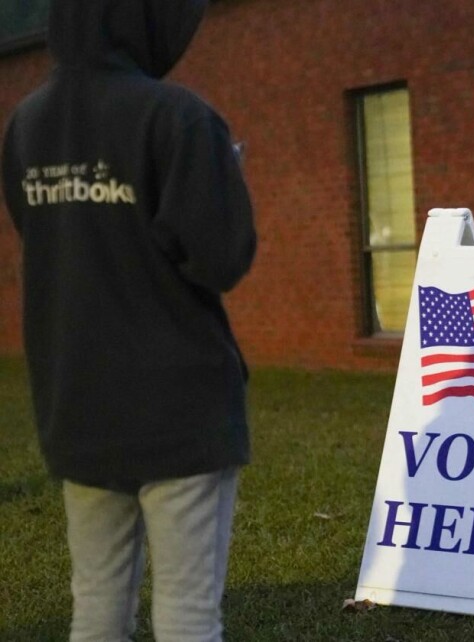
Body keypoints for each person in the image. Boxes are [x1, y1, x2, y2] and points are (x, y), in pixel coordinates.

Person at [1, 0, 256, 640]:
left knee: (96, 606)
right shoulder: (178, 120)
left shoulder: (26, 125)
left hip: (77, 407)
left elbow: (49, 239)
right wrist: (224, 176)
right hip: (180, 412)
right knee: (188, 614)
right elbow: (221, 257)